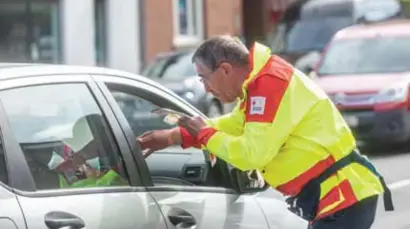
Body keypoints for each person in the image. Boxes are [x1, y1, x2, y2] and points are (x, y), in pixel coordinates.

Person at [137, 35, 393, 229]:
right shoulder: (260, 83)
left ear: (225, 69)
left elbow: (252, 154)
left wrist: (205, 135)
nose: (206, 89)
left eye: (204, 79)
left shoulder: (270, 83)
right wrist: (175, 136)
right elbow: (234, 124)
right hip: (336, 199)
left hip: (341, 198)